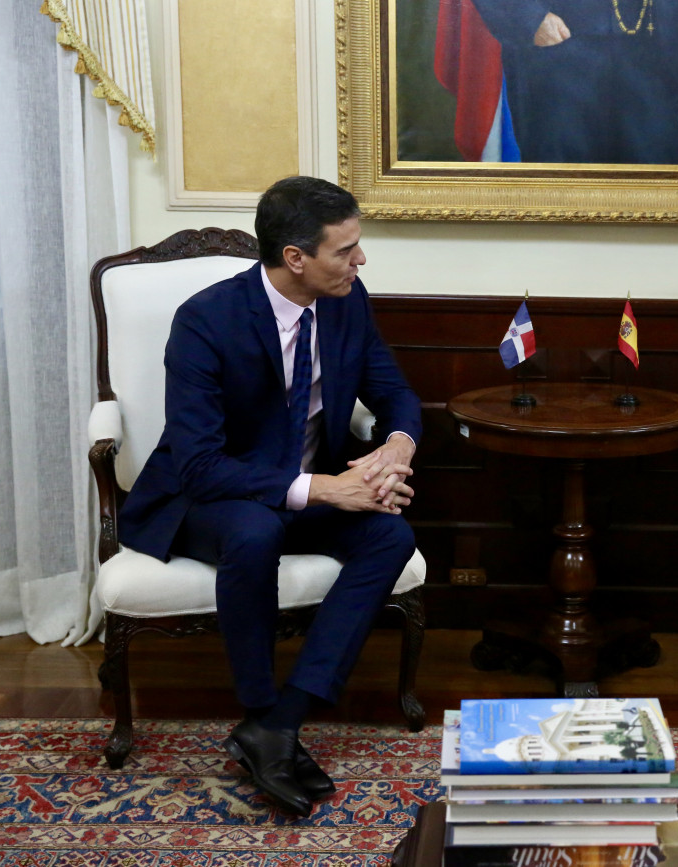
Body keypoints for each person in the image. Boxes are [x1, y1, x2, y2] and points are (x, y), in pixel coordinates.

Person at [118, 176, 422, 815]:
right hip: (209, 497)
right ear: (295, 258)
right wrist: (325, 488)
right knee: (256, 531)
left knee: (390, 534)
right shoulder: (206, 320)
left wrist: (397, 444)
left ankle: (279, 724)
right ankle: (259, 708)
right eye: (345, 250)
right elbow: (200, 465)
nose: (361, 260)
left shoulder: (346, 300)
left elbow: (393, 389)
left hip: (303, 491)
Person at [469, 0, 678, 164]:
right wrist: (526, 16)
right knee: (559, 197)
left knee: (654, 198)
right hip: (556, 53)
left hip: (655, 59)